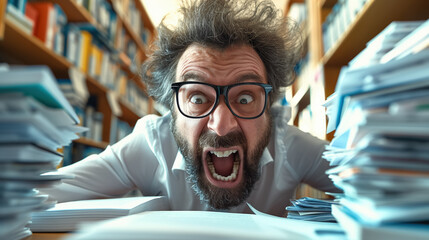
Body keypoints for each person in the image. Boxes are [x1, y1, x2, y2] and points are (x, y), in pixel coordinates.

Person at [42, 0, 339, 217]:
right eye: (197, 98)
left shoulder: (289, 146)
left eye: (245, 98)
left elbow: (382, 185)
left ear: (270, 107)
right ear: (171, 107)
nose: (222, 125)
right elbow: (37, 195)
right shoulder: (151, 143)